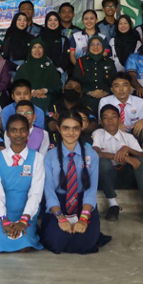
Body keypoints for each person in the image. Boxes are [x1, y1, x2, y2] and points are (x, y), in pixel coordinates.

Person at [40, 109, 110, 254]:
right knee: (56, 241)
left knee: (85, 242)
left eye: (75, 128)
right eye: (66, 128)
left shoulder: (91, 155)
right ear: (59, 128)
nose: (71, 133)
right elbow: (49, 192)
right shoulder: (50, 156)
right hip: (58, 204)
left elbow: (91, 191)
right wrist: (61, 218)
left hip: (83, 204)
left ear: (81, 128)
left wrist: (83, 218)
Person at [0, 114, 45, 253]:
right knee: (3, 244)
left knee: (24, 246)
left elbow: (35, 194)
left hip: (27, 214)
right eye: (13, 130)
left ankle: (32, 229)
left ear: (28, 132)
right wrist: (4, 219)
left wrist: (24, 220)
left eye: (23, 130)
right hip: (3, 214)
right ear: (7, 133)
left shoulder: (37, 158)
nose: (18, 134)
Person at [93, 105, 143, 226]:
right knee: (103, 162)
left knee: (139, 160)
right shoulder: (98, 134)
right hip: (106, 178)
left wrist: (128, 149)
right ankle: (113, 205)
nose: (110, 120)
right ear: (101, 122)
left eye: (113, 117)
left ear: (119, 120)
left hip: (125, 177)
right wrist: (124, 157)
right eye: (106, 117)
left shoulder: (128, 137)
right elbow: (95, 154)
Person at [14, 39, 63, 115]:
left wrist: (45, 90)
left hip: (47, 99)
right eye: (34, 47)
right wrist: (30, 92)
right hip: (26, 99)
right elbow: (16, 87)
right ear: (30, 50)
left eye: (40, 47)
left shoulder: (50, 67)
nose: (37, 50)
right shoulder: (23, 68)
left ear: (44, 50)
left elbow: (58, 87)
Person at [73, 35, 113, 115]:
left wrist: (105, 92)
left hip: (106, 97)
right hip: (86, 98)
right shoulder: (81, 61)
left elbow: (114, 81)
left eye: (99, 44)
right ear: (88, 46)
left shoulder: (109, 62)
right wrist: (89, 92)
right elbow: (76, 82)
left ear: (103, 46)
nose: (95, 47)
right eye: (92, 44)